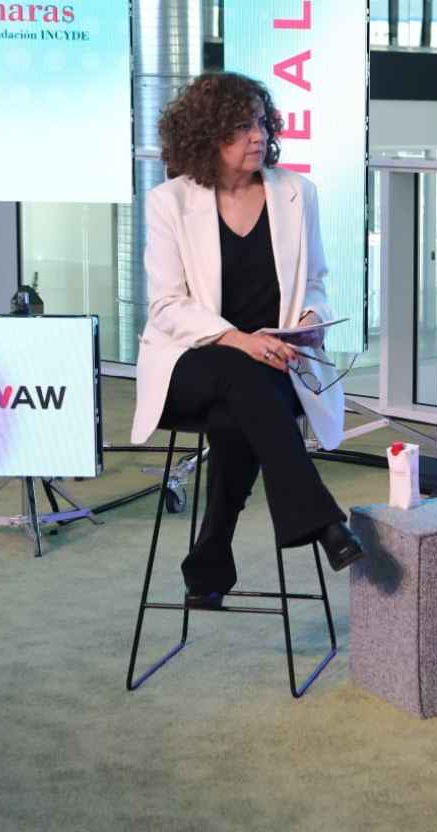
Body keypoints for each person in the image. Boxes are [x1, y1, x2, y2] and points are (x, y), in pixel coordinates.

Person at [129, 71, 363, 608]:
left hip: (272, 362)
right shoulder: (171, 201)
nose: (258, 135)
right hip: (189, 364)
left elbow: (319, 282)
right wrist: (237, 339)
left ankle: (209, 559)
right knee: (244, 374)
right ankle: (322, 520)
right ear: (208, 135)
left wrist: (309, 314)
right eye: (241, 126)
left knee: (244, 407)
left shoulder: (297, 193)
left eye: (260, 122)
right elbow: (166, 307)